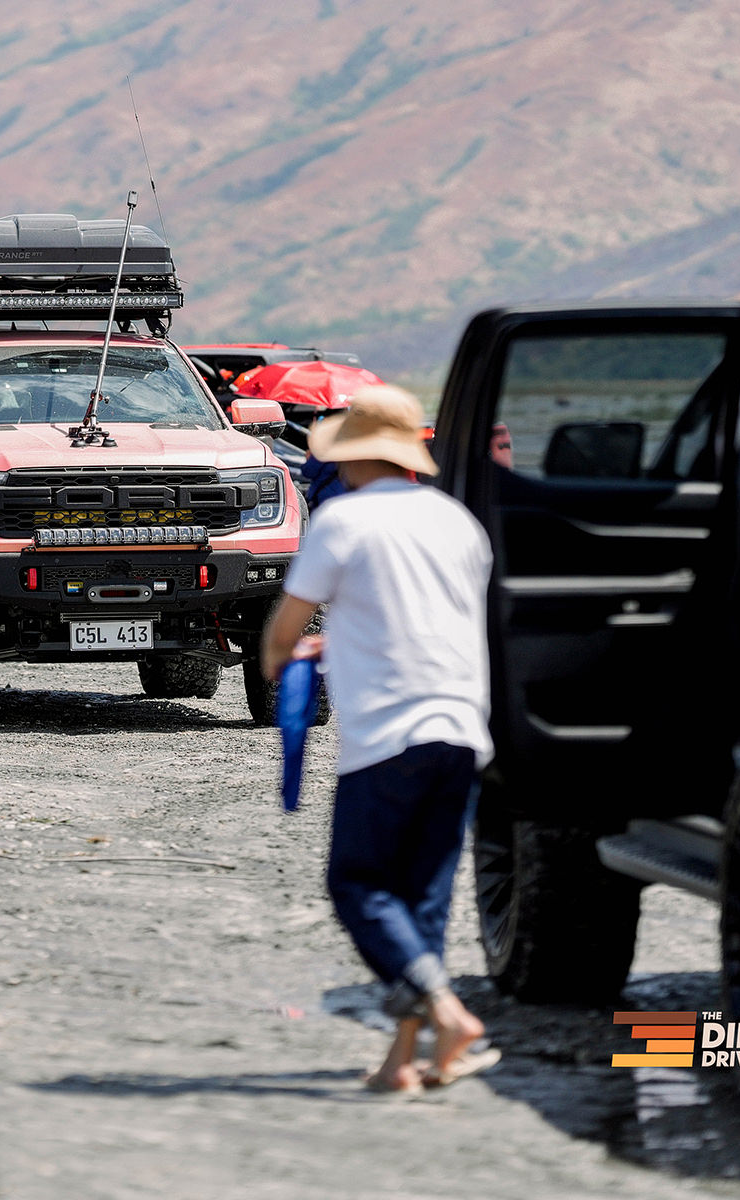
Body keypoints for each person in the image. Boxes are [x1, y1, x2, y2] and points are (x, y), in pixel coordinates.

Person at [260, 384, 499, 1095]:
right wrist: (347, 639)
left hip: (389, 736)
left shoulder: (343, 522)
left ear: (358, 457)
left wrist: (288, 658)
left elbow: (284, 630)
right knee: (419, 898)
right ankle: (405, 1061)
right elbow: (422, 618)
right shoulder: (460, 521)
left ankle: (451, 1015)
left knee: (358, 884)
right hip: (461, 728)